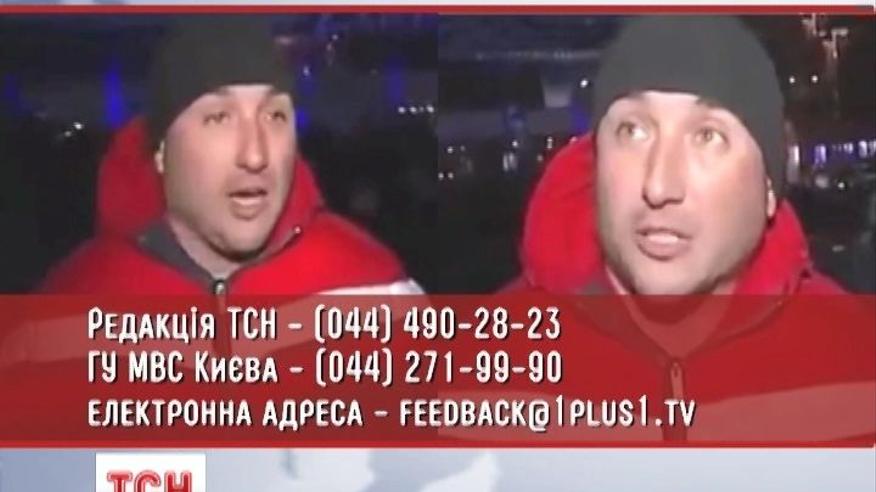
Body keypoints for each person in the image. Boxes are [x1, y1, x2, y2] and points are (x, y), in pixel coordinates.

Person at [509, 16, 874, 442]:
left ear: (769, 187)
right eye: (633, 130)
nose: (659, 186)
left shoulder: (855, 362)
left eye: (708, 136)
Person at [40, 18, 420, 296]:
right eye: (219, 118)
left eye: (274, 116)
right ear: (161, 152)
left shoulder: (378, 289)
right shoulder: (67, 306)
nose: (255, 155)